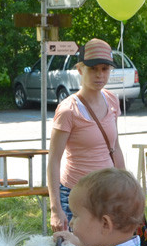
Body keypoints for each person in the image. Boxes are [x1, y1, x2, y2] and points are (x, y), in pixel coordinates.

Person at [47, 38, 126, 232]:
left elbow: (115, 147)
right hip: (76, 195)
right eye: (93, 69)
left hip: (108, 192)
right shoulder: (68, 110)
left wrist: (127, 189)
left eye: (105, 69)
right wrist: (56, 209)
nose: (100, 75)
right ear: (81, 69)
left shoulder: (112, 100)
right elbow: (54, 160)